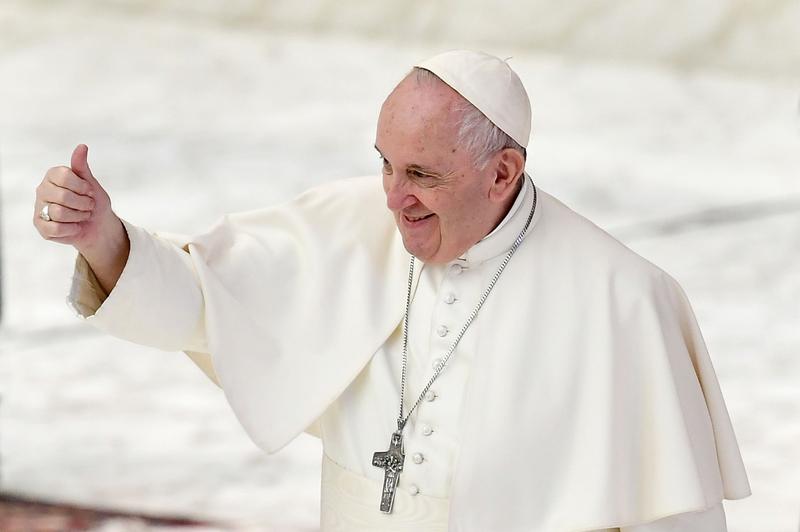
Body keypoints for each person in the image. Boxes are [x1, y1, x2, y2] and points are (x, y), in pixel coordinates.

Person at [33, 50, 750, 531]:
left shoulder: (622, 300)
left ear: (502, 173)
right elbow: (196, 302)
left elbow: (677, 513)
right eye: (385, 164)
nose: (393, 198)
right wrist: (101, 236)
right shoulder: (347, 227)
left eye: (423, 176)